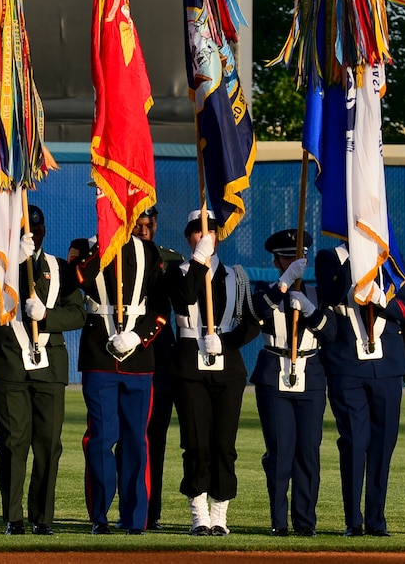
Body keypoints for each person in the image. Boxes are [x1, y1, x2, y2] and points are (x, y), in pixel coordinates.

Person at [0, 205, 86, 536]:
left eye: (35, 232)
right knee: (12, 442)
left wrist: (48, 316)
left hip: (48, 367)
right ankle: (13, 517)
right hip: (8, 363)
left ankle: (43, 517)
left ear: (44, 233)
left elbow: (77, 314)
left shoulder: (58, 268)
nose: (31, 236)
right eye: (24, 231)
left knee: (49, 443)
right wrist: (7, 262)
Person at [69, 226, 170, 535]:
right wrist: (103, 242)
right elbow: (78, 280)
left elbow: (160, 306)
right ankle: (99, 515)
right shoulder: (84, 245)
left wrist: (139, 337)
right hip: (100, 355)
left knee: (136, 441)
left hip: (138, 359)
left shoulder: (149, 251)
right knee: (101, 438)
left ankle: (135, 518)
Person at [166, 210, 261, 537]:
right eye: (195, 232)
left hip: (226, 366)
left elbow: (251, 323)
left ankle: (220, 513)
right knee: (195, 442)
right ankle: (199, 515)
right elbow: (184, 298)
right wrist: (198, 260)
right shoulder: (176, 272)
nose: (201, 236)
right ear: (188, 237)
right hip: (189, 364)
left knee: (223, 444)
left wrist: (226, 341)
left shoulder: (237, 275)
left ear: (217, 236)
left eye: (206, 232)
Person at [315, 242, 405, 537]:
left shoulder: (390, 260)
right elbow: (330, 294)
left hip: (386, 367)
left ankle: (376, 519)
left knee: (383, 445)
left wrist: (381, 299)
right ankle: (353, 520)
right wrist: (356, 266)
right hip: (346, 364)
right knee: (354, 442)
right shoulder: (330, 257)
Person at [250, 228, 336, 537]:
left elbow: (331, 333)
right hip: (275, 371)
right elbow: (257, 311)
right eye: (285, 258)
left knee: (308, 451)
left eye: (296, 257)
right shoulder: (264, 289)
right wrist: (283, 285)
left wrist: (312, 313)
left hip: (310, 374)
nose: (290, 262)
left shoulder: (317, 293)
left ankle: (305, 521)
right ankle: (279, 521)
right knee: (280, 450)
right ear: (276, 261)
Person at [129, 205, 183, 530]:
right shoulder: (121, 256)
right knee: (128, 437)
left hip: (161, 358)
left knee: (155, 439)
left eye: (149, 225)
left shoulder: (171, 259)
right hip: (127, 355)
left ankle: (151, 512)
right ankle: (129, 509)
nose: (145, 231)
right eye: (139, 225)